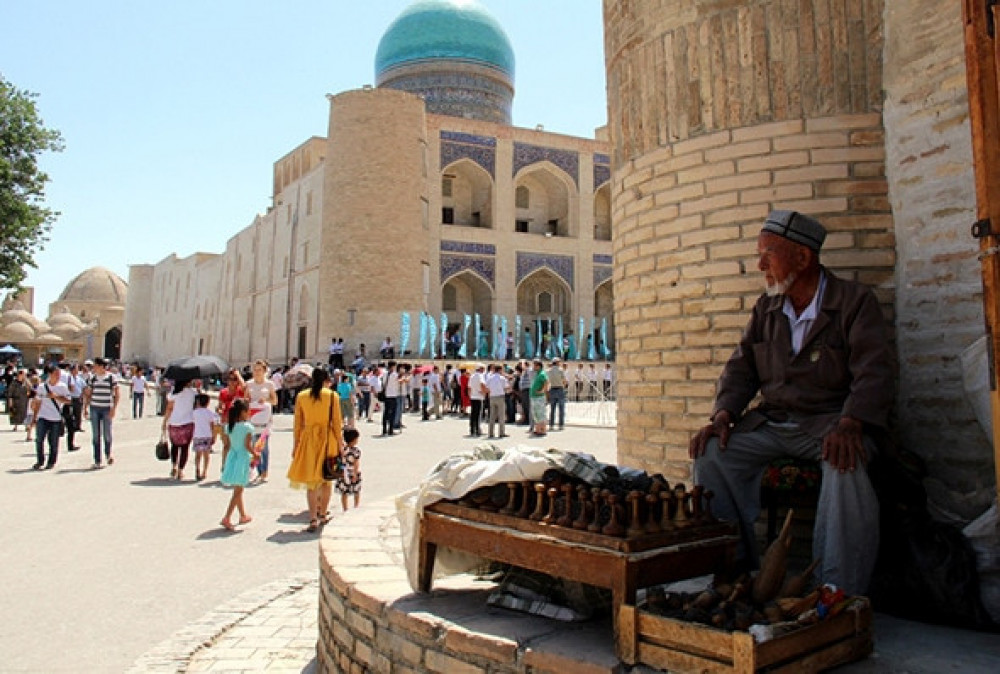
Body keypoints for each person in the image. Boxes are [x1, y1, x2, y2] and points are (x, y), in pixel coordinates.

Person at [688, 210, 894, 596]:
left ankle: (835, 592)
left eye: (769, 254)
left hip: (830, 425)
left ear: (803, 258)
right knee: (712, 453)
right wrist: (723, 415)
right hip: (773, 424)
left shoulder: (853, 302)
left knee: (845, 460)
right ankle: (735, 570)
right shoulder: (767, 308)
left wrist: (852, 424)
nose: (760, 265)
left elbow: (874, 372)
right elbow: (741, 368)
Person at [288, 367, 345, 532]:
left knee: (311, 482)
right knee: (326, 479)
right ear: (326, 379)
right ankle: (323, 513)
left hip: (309, 439)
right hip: (328, 439)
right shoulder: (332, 396)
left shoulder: (302, 396)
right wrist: (340, 444)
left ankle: (312, 517)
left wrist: (296, 444)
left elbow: (298, 423)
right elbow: (337, 422)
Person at [219, 399, 258, 531]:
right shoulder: (247, 427)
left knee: (238, 488)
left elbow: (228, 445)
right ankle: (227, 517)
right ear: (243, 412)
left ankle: (242, 515)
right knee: (239, 489)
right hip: (242, 458)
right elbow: (247, 446)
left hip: (232, 456)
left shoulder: (229, 427)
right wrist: (256, 453)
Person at [31, 365, 70, 470]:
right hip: (43, 416)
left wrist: (56, 396)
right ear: (50, 374)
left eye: (59, 375)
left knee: (53, 442)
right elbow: (38, 402)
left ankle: (51, 462)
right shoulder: (42, 387)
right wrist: (34, 417)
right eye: (56, 374)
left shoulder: (62, 386)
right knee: (39, 440)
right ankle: (40, 461)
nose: (58, 376)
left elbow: (68, 400)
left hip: (56, 417)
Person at [83, 357, 119, 469]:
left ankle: (108, 454)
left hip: (106, 408)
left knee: (107, 433)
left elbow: (116, 393)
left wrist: (114, 408)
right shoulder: (92, 378)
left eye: (95, 365)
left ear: (101, 366)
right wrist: (85, 407)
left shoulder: (111, 378)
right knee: (96, 435)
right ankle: (97, 459)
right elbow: (89, 394)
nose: (94, 367)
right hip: (95, 408)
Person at [246, 359, 278, 482]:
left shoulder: (269, 384)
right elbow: (245, 399)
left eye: (259, 370)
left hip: (265, 419)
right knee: (254, 446)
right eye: (255, 370)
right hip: (252, 419)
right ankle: (258, 470)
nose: (257, 372)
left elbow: (275, 401)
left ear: (264, 371)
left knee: (263, 446)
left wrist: (266, 401)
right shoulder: (249, 384)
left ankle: (264, 471)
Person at [162, 378, 199, 480]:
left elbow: (169, 408)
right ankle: (180, 470)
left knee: (174, 446)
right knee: (185, 448)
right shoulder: (193, 392)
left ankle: (174, 465)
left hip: (174, 422)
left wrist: (164, 421)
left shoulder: (173, 392)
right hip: (187, 422)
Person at [192, 393, 221, 481]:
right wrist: (213, 436)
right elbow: (212, 425)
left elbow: (192, 424)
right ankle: (204, 471)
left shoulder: (194, 412)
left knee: (198, 455)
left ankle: (197, 469)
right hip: (207, 435)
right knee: (206, 455)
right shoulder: (209, 413)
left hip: (197, 435)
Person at [335, 428, 362, 512]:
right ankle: (356, 506)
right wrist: (355, 474)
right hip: (352, 472)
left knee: (344, 492)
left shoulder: (343, 450)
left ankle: (345, 508)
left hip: (343, 472)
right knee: (356, 491)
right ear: (354, 440)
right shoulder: (356, 451)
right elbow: (356, 463)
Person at [485, 364, 509, 438]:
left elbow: (487, 388)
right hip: (500, 397)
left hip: (492, 397)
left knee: (492, 416)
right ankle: (501, 432)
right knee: (501, 415)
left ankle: (491, 433)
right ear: (500, 370)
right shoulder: (502, 378)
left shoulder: (490, 378)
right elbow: (506, 387)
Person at [529, 359, 549, 436]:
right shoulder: (537, 374)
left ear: (538, 366)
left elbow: (546, 382)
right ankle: (538, 429)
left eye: (534, 365)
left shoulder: (542, 374)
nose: (533, 367)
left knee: (541, 413)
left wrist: (542, 391)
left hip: (539, 397)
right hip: (534, 396)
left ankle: (543, 430)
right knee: (536, 413)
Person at [546, 357, 567, 430]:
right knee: (561, 408)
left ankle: (551, 424)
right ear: (557, 362)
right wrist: (563, 386)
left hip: (552, 388)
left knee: (552, 408)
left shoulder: (549, 371)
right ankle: (561, 425)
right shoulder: (560, 370)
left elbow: (547, 381)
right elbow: (564, 380)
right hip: (560, 388)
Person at [381, 361, 399, 436]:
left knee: (386, 413)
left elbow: (383, 383)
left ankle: (384, 429)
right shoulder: (395, 374)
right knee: (392, 413)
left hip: (386, 395)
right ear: (393, 366)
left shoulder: (385, 374)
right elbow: (398, 382)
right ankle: (390, 430)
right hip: (393, 395)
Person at [468, 364, 486, 437]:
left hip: (473, 396)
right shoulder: (480, 375)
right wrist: (483, 392)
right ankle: (478, 429)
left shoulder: (472, 376)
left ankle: (472, 429)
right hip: (478, 396)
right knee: (478, 414)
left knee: (473, 414)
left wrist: (470, 395)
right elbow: (482, 384)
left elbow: (469, 387)